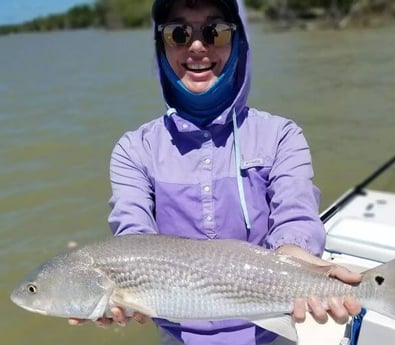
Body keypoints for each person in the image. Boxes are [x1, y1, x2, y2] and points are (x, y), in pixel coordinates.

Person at [69, 0, 362, 343]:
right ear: (160, 46)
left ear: (239, 42)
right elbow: (134, 239)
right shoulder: (134, 150)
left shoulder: (281, 135)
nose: (196, 46)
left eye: (216, 32)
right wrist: (116, 295)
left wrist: (300, 260)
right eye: (178, 33)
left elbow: (295, 217)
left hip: (275, 328)